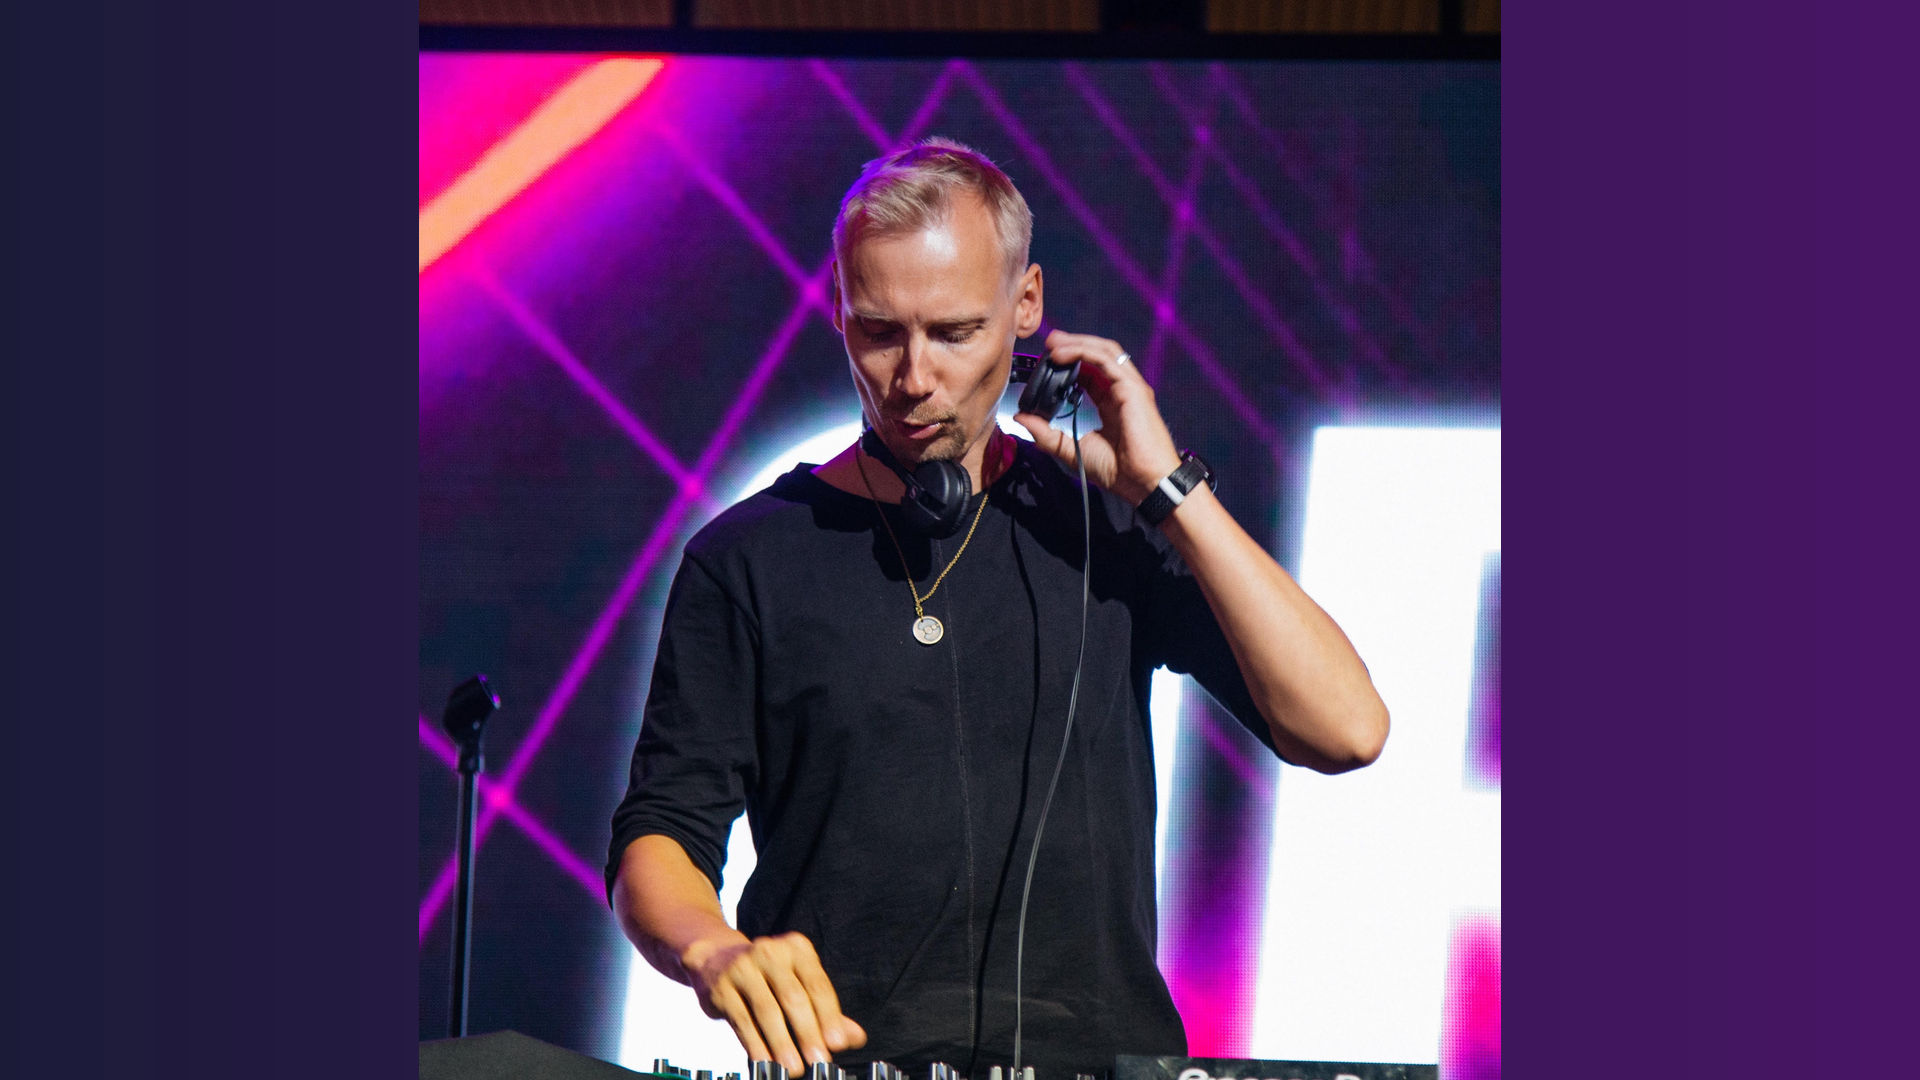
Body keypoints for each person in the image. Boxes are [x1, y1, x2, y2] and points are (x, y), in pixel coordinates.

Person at [607, 138, 1388, 1080]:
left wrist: (1167, 491)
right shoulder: (747, 558)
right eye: (879, 332)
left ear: (1026, 308)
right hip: (847, 1063)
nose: (913, 377)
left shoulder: (1105, 527)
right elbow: (662, 831)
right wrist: (714, 950)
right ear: (839, 311)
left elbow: (1346, 729)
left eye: (955, 333)